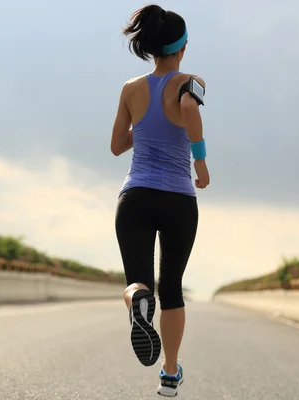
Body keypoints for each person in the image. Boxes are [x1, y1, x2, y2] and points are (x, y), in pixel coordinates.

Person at [110, 4, 210, 397]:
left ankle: (137, 299)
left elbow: (118, 146)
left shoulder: (130, 88)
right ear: (182, 48)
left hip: (134, 197)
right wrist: (200, 163)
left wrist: (144, 126)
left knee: (139, 281)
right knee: (171, 288)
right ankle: (169, 373)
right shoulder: (191, 81)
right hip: (177, 201)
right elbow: (188, 108)